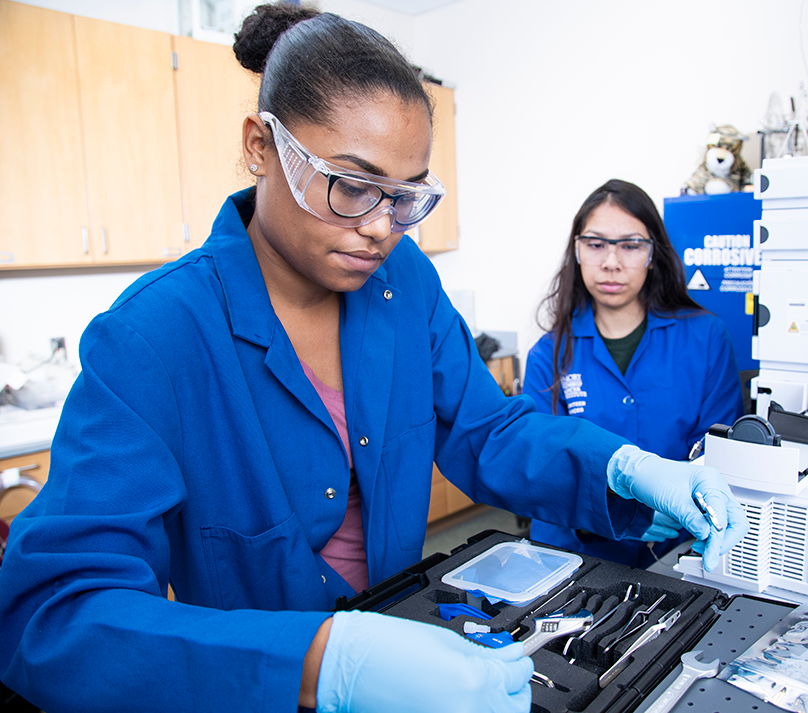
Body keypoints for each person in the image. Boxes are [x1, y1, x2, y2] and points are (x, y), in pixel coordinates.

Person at [0, 8, 747, 713]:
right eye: (353, 186)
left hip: (416, 646)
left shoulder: (403, 283)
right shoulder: (153, 336)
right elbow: (54, 616)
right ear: (261, 146)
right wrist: (324, 660)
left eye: (405, 195)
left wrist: (622, 468)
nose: (382, 228)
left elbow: (487, 431)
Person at [523, 179, 745, 568]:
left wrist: (680, 504)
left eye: (630, 245)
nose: (611, 262)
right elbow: (543, 468)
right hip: (580, 560)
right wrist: (608, 514)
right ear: (577, 250)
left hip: (686, 552)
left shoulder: (705, 337)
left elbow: (719, 451)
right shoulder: (548, 354)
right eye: (596, 244)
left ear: (652, 254)